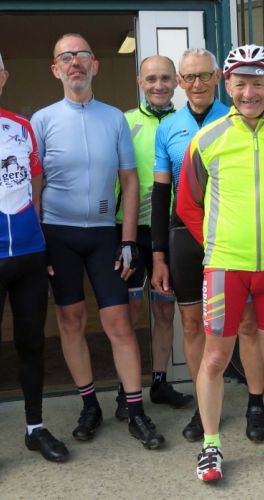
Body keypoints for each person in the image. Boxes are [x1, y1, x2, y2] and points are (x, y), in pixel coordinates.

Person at [176, 44, 264, 482]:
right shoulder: (207, 139)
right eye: (240, 83)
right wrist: (220, 245)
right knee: (216, 357)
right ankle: (211, 446)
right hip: (225, 267)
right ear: (227, 85)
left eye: (258, 83)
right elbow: (188, 204)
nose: (249, 92)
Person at [31, 33, 164, 449]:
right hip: (58, 235)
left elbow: (130, 179)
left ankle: (135, 409)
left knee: (120, 322)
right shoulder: (42, 120)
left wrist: (129, 241)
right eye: (66, 57)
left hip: (106, 235)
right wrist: (38, 241)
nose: (75, 63)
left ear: (95, 65)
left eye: (83, 56)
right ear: (55, 69)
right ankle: (89, 404)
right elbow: (35, 186)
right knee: (70, 320)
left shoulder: (114, 119)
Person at [151, 48, 264, 443]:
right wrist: (158, 255)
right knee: (191, 323)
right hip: (186, 234)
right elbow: (161, 196)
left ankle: (256, 403)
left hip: (234, 233)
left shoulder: (240, 116)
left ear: (219, 78)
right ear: (179, 82)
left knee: (247, 322)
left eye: (204, 75)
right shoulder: (168, 127)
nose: (196, 84)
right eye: (189, 77)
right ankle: (204, 409)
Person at [114, 55, 192, 421]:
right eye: (151, 79)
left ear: (176, 81)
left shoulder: (186, 123)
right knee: (128, 313)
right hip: (129, 231)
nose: (158, 85)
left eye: (165, 78)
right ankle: (125, 389)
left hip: (171, 232)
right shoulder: (124, 122)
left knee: (164, 310)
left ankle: (160, 382)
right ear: (140, 82)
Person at [0, 52, 69, 463]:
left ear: (4, 77)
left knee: (31, 343)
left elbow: (35, 187)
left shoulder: (21, 127)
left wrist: (41, 242)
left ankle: (34, 428)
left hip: (28, 255)